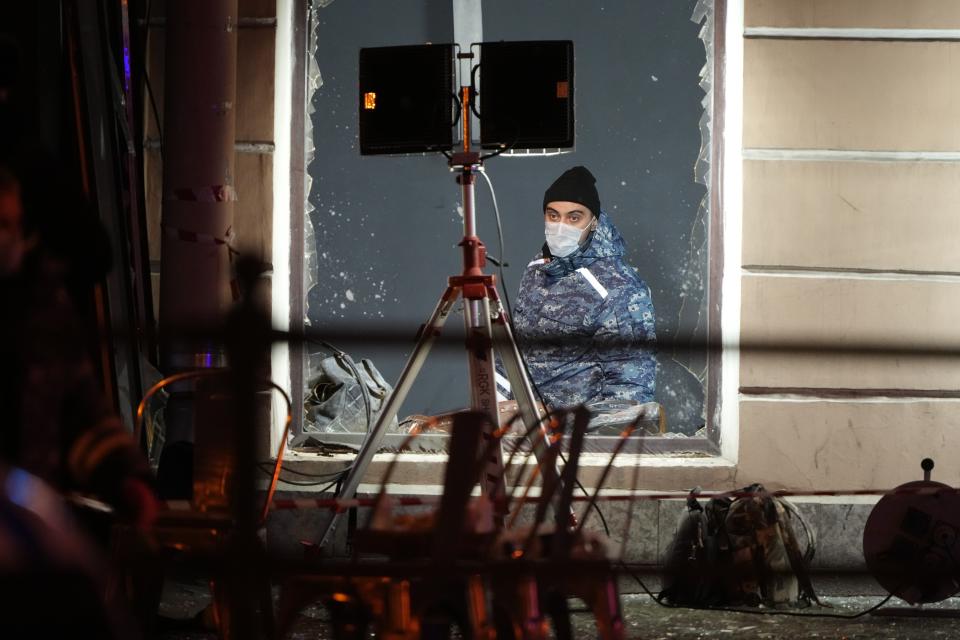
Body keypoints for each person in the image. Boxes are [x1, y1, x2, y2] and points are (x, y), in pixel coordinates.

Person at [0, 166, 156, 528]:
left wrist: (127, 478)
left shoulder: (40, 306)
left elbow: (78, 409)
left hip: (26, 526)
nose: (6, 237)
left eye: (12, 224)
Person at [498, 166, 657, 411]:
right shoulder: (538, 268)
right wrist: (496, 410)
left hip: (578, 440)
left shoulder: (620, 289)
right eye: (553, 215)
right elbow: (513, 351)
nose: (561, 226)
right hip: (522, 433)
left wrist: (560, 422)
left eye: (574, 217)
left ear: (593, 222)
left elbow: (630, 397)